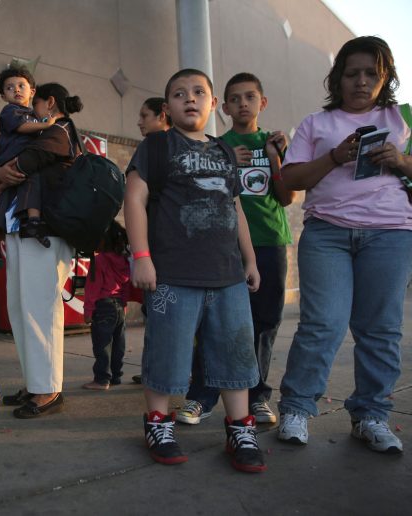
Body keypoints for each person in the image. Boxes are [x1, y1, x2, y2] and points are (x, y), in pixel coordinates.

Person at [125, 68, 266, 473]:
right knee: (167, 353)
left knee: (235, 354)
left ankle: (240, 429)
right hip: (172, 275)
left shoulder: (223, 151)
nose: (190, 98)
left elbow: (235, 207)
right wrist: (141, 256)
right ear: (167, 106)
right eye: (179, 93)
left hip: (228, 276)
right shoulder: (155, 147)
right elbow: (134, 199)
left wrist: (251, 260)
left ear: (213, 104)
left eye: (199, 92)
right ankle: (158, 424)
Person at [277, 36, 412, 454]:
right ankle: (297, 409)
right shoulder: (316, 123)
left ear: (385, 76)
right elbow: (289, 181)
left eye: (371, 73)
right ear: (337, 78)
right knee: (323, 324)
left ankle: (371, 416)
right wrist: (335, 156)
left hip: (390, 234)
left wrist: (401, 161)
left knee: (380, 329)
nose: (361, 81)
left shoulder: (403, 118)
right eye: (351, 73)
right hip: (327, 233)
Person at [177, 73, 294, 425]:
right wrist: (231, 162)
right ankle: (201, 396)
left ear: (263, 102)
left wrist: (275, 158)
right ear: (223, 107)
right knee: (211, 321)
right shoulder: (214, 145)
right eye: (236, 98)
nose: (243, 104)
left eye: (251, 97)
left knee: (265, 322)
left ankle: (257, 395)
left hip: (270, 242)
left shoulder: (275, 142)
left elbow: (287, 197)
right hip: (223, 245)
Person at [0, 83, 83, 419]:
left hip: (45, 233)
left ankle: (48, 388)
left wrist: (2, 173)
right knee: (20, 309)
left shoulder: (60, 130)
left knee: (39, 311)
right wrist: (1, 172)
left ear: (50, 102)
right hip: (23, 231)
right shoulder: (44, 132)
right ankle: (35, 383)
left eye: (36, 102)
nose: (33, 110)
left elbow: (26, 163)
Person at [0, 67, 57, 266]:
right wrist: (47, 125)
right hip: (14, 158)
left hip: (13, 160)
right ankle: (34, 221)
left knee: (4, 198)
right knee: (32, 179)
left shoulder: (32, 114)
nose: (16, 89)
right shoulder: (11, 111)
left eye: (21, 85)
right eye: (9, 87)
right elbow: (22, 127)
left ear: (32, 91)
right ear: (3, 96)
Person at [132, 97, 172, 385]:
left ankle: (158, 373)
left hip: (161, 250)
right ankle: (155, 371)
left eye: (145, 115)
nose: (139, 121)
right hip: (158, 250)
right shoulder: (156, 148)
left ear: (162, 115)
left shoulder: (155, 147)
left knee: (160, 316)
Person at [81, 220, 131, 390]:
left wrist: (88, 311)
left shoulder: (100, 260)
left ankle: (101, 379)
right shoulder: (124, 260)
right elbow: (126, 285)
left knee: (102, 345)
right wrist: (123, 304)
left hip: (102, 307)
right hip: (119, 306)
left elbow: (92, 288)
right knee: (118, 344)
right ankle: (116, 376)